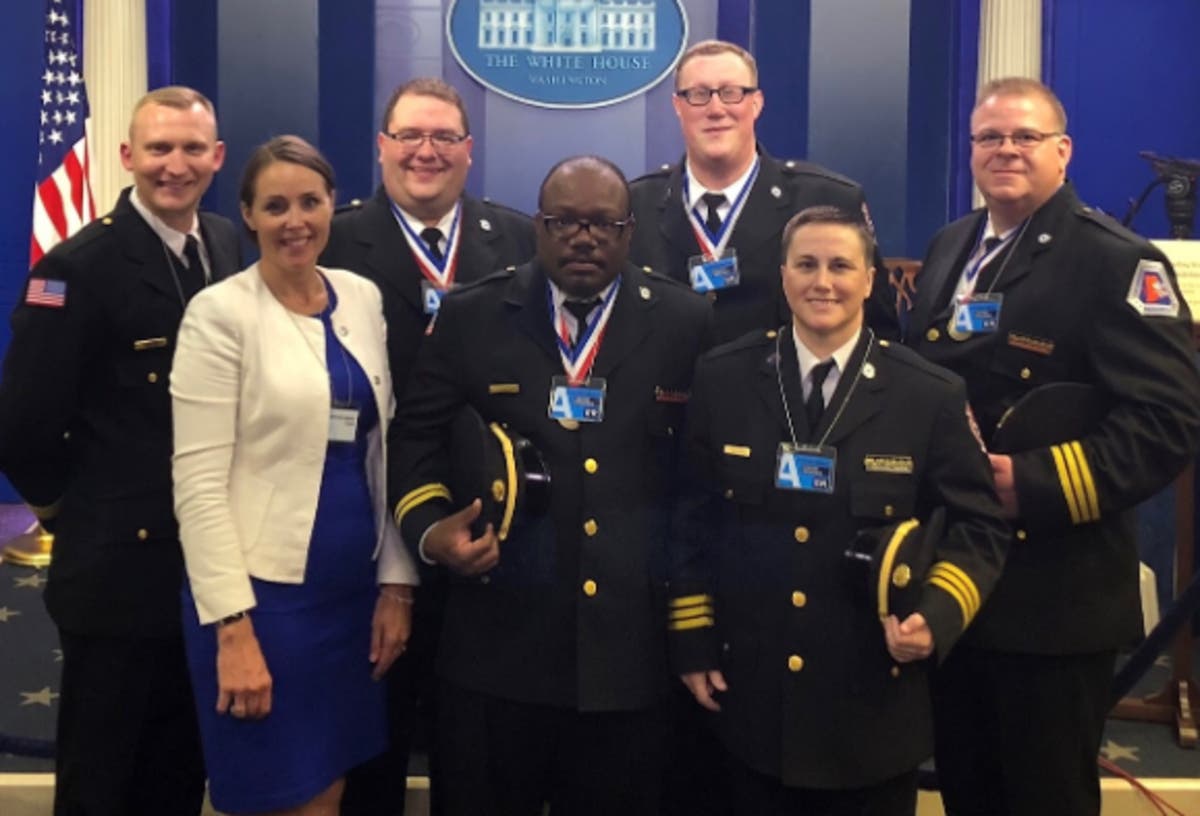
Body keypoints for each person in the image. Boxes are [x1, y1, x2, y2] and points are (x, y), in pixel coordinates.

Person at [904, 77, 1200, 815]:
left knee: (1044, 797)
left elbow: (1170, 420)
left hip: (1054, 595)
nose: (1005, 150)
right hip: (958, 583)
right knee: (969, 789)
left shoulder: (1115, 261)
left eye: (1025, 137)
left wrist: (1032, 483)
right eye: (989, 137)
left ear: (1062, 151)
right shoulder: (950, 246)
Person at [389, 155, 711, 815]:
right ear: (537, 227)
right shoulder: (474, 315)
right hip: (495, 652)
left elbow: (700, 482)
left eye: (602, 224)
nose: (583, 238)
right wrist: (429, 530)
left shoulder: (684, 322)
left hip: (628, 659)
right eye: (564, 222)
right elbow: (416, 439)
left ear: (629, 232)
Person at [668, 205, 1008, 815]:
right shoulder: (724, 378)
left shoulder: (927, 393)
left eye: (840, 266)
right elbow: (693, 516)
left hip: (871, 705)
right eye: (806, 265)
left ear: (870, 279)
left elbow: (979, 525)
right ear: (783, 276)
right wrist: (692, 637)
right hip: (752, 701)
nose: (822, 282)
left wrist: (935, 617)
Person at [0, 86, 237, 816]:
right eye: (159, 148)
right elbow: (23, 426)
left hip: (202, 566)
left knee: (177, 771)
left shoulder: (226, 243)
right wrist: (70, 515)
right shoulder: (76, 268)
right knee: (103, 780)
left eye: (192, 149)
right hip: (115, 573)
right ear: (129, 155)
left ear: (217, 157)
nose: (175, 165)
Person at [170, 135, 417, 815]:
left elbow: (384, 450)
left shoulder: (360, 296)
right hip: (262, 604)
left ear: (334, 204)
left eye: (310, 202)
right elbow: (197, 485)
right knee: (278, 795)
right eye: (275, 206)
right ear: (248, 215)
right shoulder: (219, 314)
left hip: (352, 594)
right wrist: (232, 628)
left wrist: (397, 584)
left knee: (327, 792)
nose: (295, 221)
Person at [320, 77, 535, 816]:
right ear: (381, 147)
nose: (426, 151)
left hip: (489, 530)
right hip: (367, 523)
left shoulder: (518, 241)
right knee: (371, 742)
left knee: (477, 751)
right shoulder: (333, 241)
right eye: (410, 135)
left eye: (444, 137)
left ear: (469, 151)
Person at [629, 39, 896, 345]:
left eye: (731, 93)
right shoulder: (637, 205)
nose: (716, 109)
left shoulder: (828, 199)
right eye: (699, 95)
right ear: (678, 106)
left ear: (756, 103)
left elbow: (879, 332)